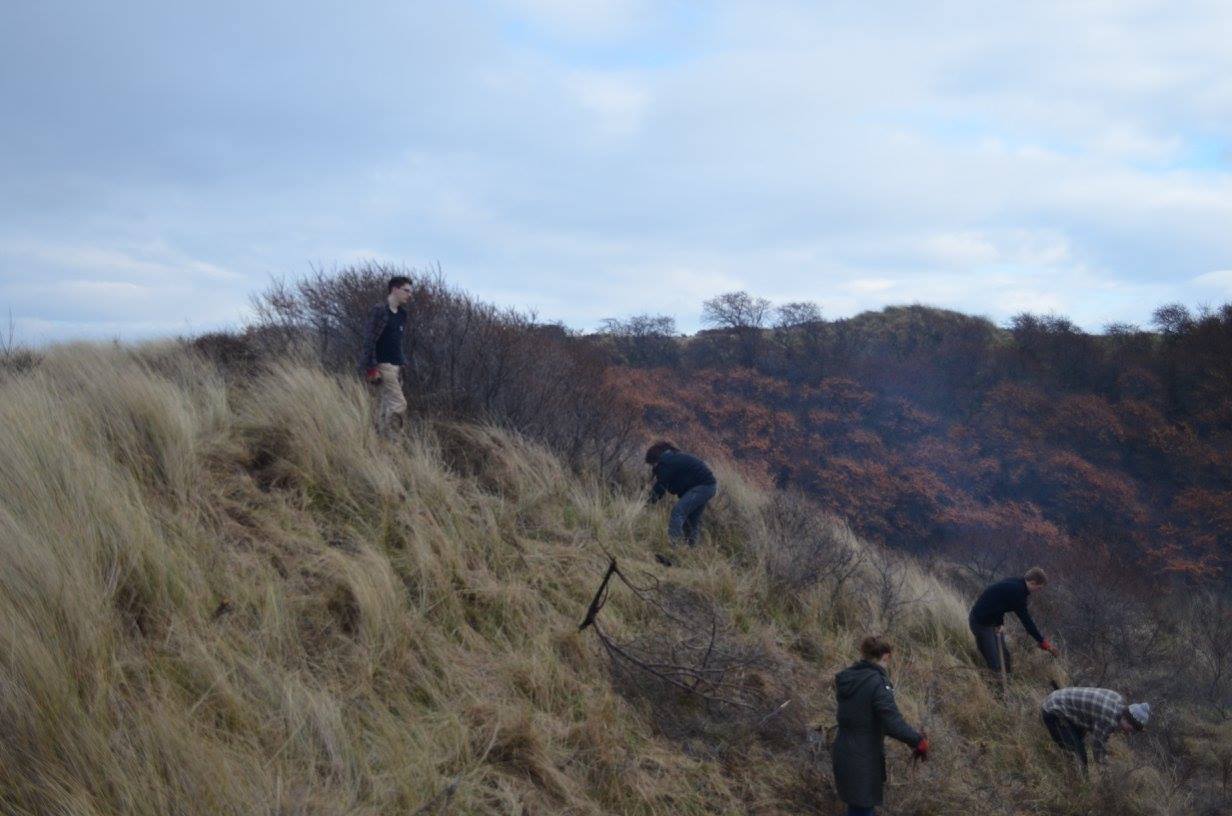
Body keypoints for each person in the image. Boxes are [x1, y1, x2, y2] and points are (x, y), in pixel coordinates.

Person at [833, 636, 929, 816]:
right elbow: (892, 722)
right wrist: (918, 740)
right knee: (862, 810)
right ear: (886, 656)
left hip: (843, 751)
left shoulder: (849, 677)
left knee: (856, 808)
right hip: (863, 757)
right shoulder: (877, 682)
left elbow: (864, 717)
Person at [968, 567, 1057, 676]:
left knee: (1005, 657)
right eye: (1039, 588)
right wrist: (1042, 642)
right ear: (1033, 583)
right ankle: (994, 684)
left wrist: (1000, 623)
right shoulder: (1017, 592)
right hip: (980, 623)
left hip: (993, 621)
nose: (1038, 591)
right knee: (995, 663)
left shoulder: (1017, 583)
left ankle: (1008, 681)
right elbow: (1027, 621)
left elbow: (999, 602)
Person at [1041, 686, 1149, 774]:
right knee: (1080, 754)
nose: (1130, 732)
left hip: (1058, 700)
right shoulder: (1109, 718)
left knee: (1078, 740)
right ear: (1127, 719)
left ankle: (1062, 763)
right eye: (1132, 728)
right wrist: (1106, 770)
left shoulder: (1119, 700)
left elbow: (1095, 727)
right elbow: (1098, 747)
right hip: (1052, 710)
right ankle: (1081, 783)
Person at [358, 276, 414, 433]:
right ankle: (394, 439)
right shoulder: (380, 311)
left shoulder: (402, 314)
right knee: (399, 404)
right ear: (395, 289)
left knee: (386, 406)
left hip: (397, 366)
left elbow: (396, 341)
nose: (409, 295)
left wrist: (402, 362)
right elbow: (369, 340)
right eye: (406, 291)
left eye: (410, 292)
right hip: (383, 366)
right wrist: (371, 368)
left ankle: (381, 439)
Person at [645, 442, 717, 549]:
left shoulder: (665, 463)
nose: (652, 468)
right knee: (691, 521)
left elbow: (660, 486)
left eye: (652, 464)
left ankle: (675, 546)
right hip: (708, 486)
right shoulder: (672, 458)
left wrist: (648, 503)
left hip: (703, 487)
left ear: (655, 460)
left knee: (678, 512)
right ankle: (691, 550)